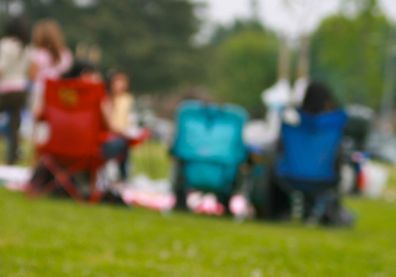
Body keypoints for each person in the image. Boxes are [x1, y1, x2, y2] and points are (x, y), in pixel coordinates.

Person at [273, 81, 354, 226]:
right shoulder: (334, 124)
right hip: (325, 177)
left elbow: (280, 148)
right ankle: (327, 213)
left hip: (290, 176)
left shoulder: (292, 123)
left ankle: (281, 211)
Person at [0, 17, 31, 164]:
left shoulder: (5, 45)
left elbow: (1, 68)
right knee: (14, 126)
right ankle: (11, 158)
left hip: (5, 89)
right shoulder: (25, 47)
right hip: (21, 89)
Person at [29, 19, 73, 118]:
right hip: (59, 92)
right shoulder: (66, 54)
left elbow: (32, 76)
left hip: (40, 91)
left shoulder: (37, 54)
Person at [101, 71, 134, 181]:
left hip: (119, 134)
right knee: (123, 144)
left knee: (125, 144)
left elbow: (125, 120)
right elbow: (109, 124)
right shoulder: (104, 99)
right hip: (106, 139)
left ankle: (122, 177)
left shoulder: (126, 99)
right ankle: (122, 177)